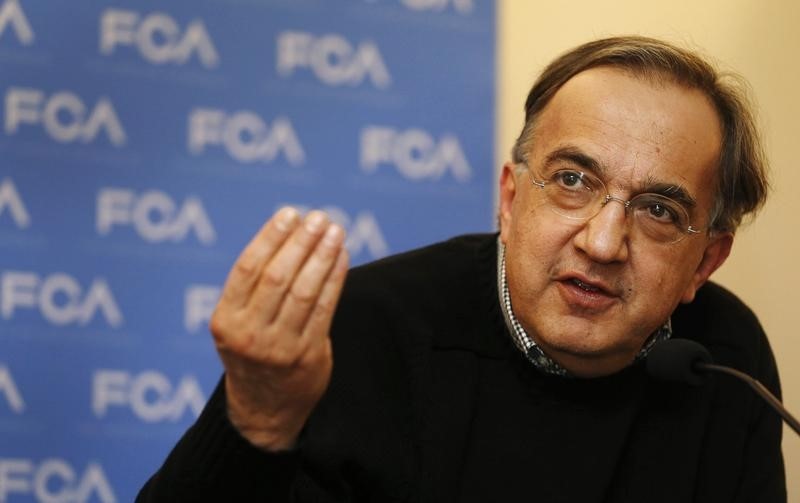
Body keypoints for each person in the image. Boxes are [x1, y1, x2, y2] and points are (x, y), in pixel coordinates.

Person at [137, 36, 786, 502]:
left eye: (658, 210)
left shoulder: (726, 357)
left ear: (705, 260)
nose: (604, 241)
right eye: (571, 179)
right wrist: (256, 420)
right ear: (510, 198)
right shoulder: (365, 328)